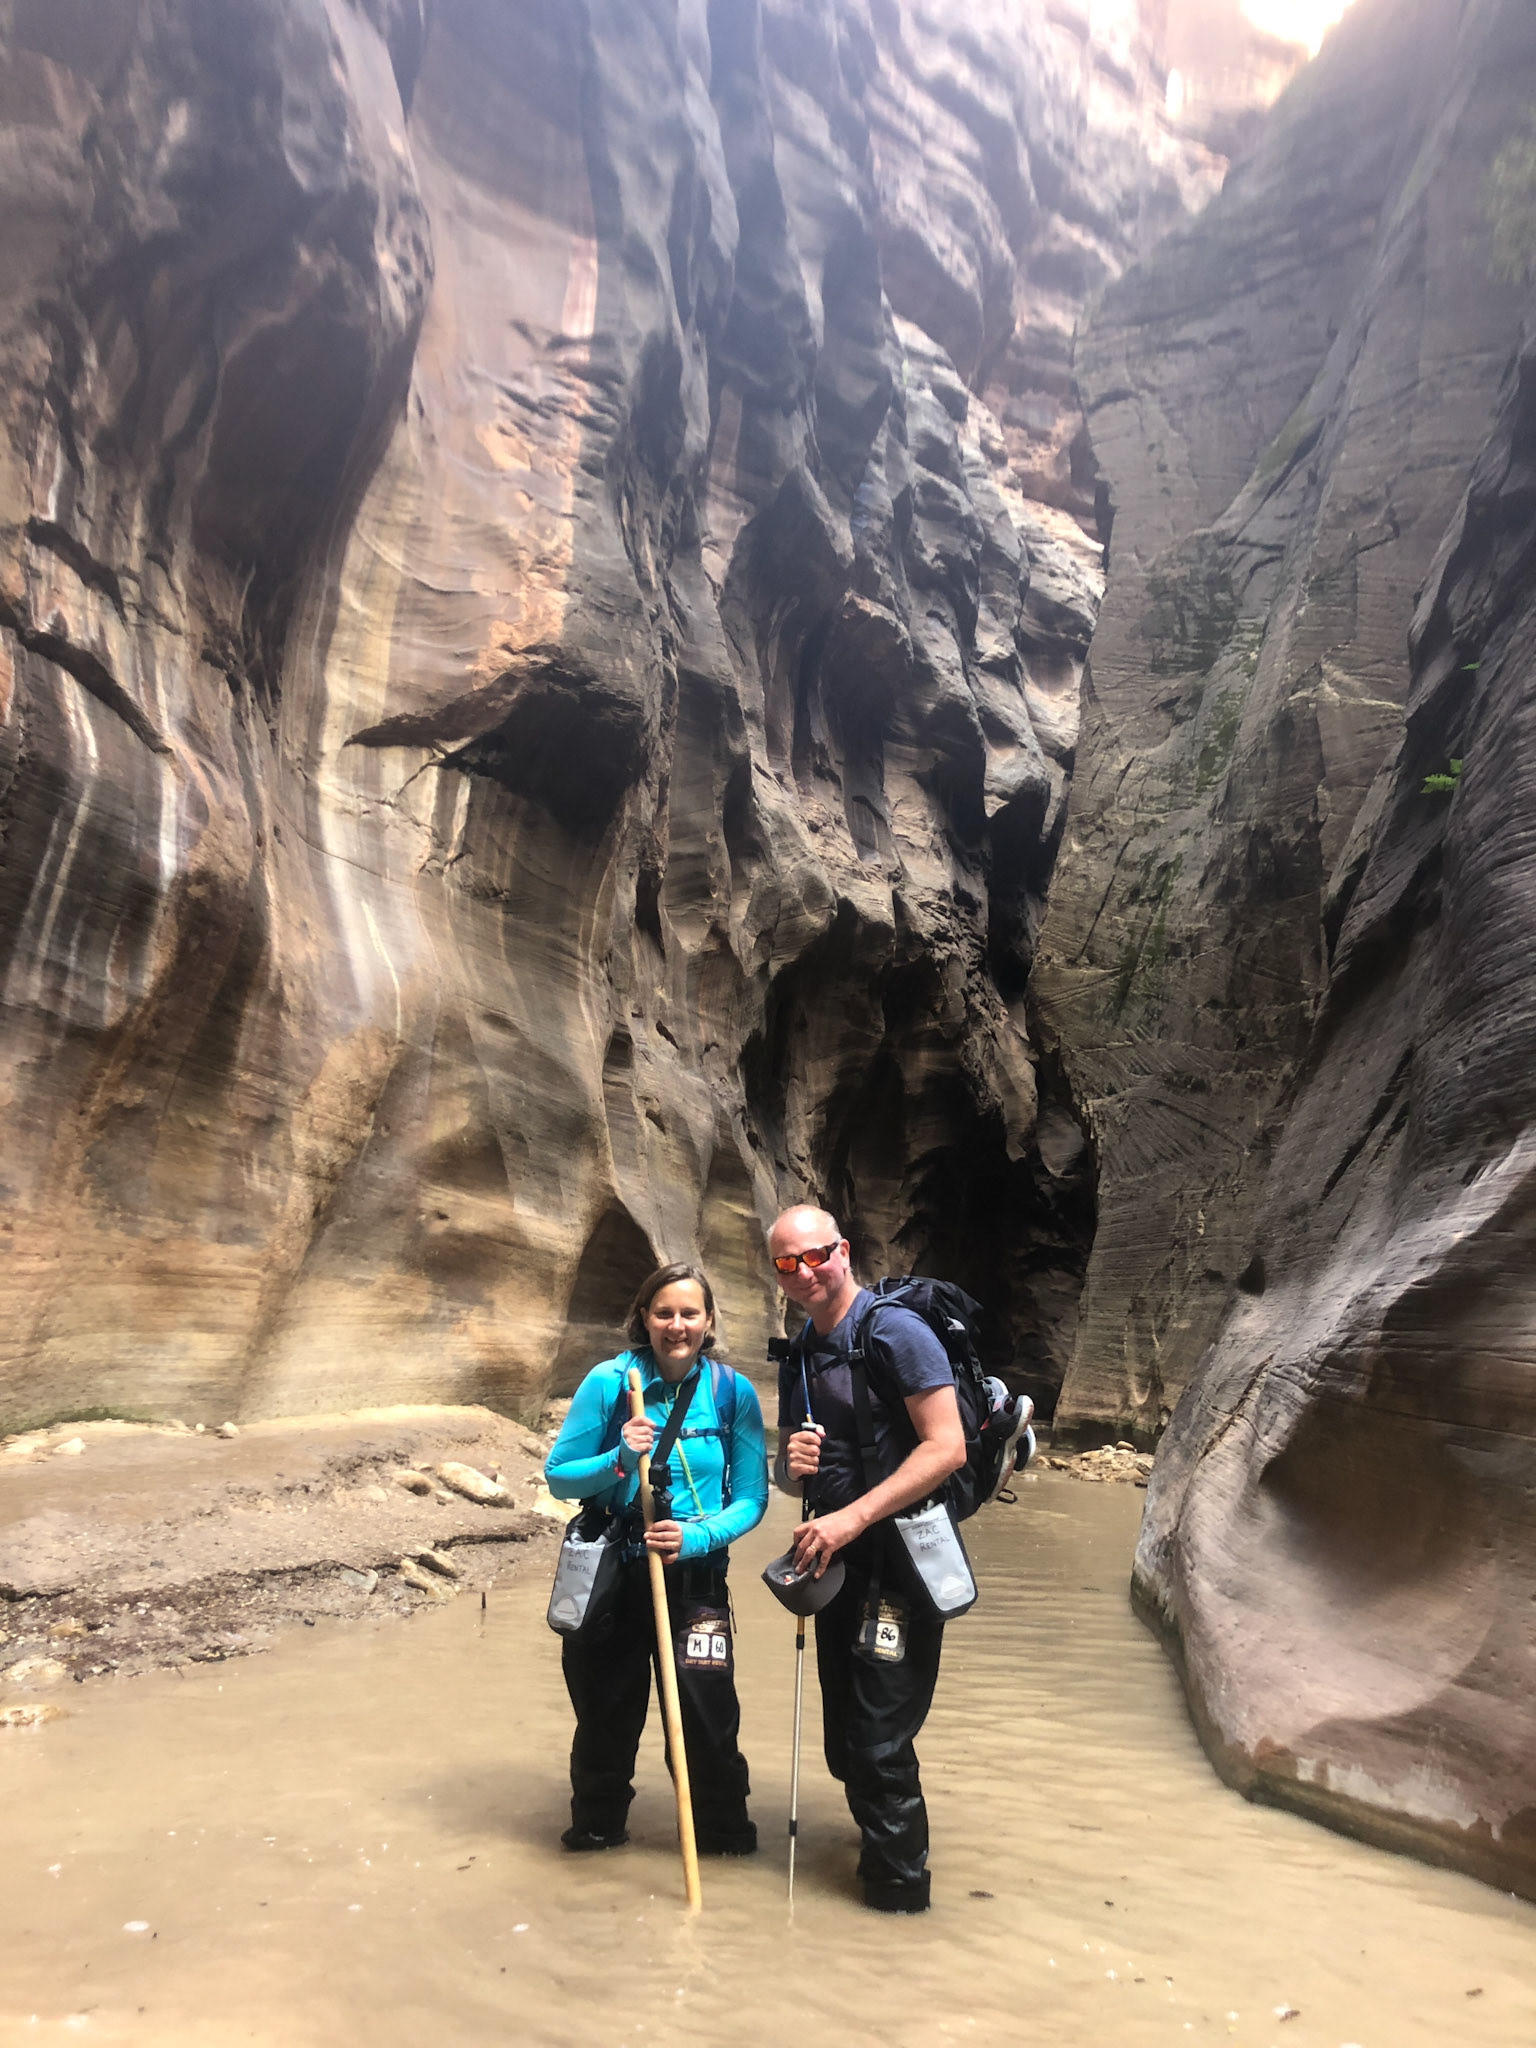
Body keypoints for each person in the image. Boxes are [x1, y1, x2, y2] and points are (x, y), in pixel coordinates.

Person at [769, 1203, 966, 1914]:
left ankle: (898, 1903)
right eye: (787, 1263)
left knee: (880, 1743)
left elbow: (946, 1446)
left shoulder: (895, 1332)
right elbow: (790, 1473)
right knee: (845, 1740)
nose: (806, 1273)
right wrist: (790, 1466)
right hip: (835, 1559)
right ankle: (879, 1855)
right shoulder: (799, 1349)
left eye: (816, 1255)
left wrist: (850, 1517)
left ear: (843, 1251)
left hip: (901, 1561)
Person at [544, 1261, 768, 1856]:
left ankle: (722, 1840)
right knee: (606, 1717)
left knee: (707, 1718)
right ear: (643, 1318)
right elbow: (560, 1478)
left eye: (689, 1313)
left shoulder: (730, 1393)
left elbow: (751, 1499)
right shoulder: (610, 1382)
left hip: (694, 1579)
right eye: (663, 1312)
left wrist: (694, 1539)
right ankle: (596, 1832)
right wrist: (619, 1458)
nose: (676, 1325)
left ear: (709, 1320)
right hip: (613, 1573)